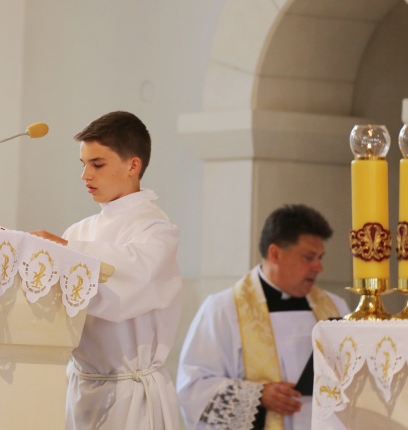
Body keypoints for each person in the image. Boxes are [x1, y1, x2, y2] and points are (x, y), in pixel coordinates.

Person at [30, 111, 182, 429]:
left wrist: (63, 250)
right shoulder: (79, 231)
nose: (85, 175)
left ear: (133, 165)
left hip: (130, 396)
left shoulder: (156, 229)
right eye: (83, 164)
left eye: (97, 164)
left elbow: (132, 278)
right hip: (79, 389)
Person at [176, 204, 350, 430]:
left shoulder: (335, 307)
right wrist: (259, 395)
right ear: (275, 253)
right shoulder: (222, 309)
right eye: (309, 257)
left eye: (320, 257)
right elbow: (193, 389)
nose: (319, 267)